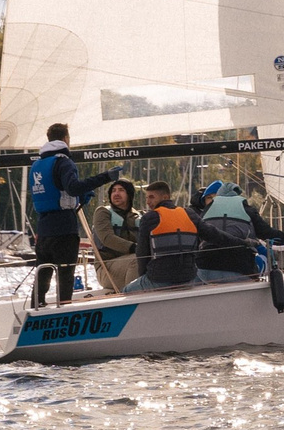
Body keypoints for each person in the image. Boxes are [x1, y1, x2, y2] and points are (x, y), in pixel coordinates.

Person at [27, 123, 111, 307]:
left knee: (43, 276)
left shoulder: (37, 165)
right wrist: (105, 177)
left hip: (43, 230)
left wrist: (80, 197)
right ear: (66, 139)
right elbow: (72, 188)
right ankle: (64, 309)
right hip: (64, 229)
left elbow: (52, 191)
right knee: (65, 276)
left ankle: (36, 308)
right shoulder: (63, 161)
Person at [194, 180, 284, 281]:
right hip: (239, 268)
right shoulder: (246, 209)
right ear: (236, 195)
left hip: (205, 268)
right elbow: (268, 233)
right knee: (264, 260)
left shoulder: (206, 211)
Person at [129, 182, 201, 291]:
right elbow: (213, 235)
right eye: (147, 198)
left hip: (159, 279)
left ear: (165, 197)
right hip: (188, 278)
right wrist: (236, 243)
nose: (148, 202)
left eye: (152, 197)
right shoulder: (189, 214)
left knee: (125, 292)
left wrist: (143, 277)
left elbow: (142, 252)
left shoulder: (149, 218)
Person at [86, 179, 142, 294]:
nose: (116, 194)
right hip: (106, 267)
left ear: (129, 195)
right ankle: (132, 300)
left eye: (121, 190)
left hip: (128, 262)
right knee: (137, 259)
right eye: (113, 191)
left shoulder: (137, 217)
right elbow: (107, 238)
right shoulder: (102, 212)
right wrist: (134, 247)